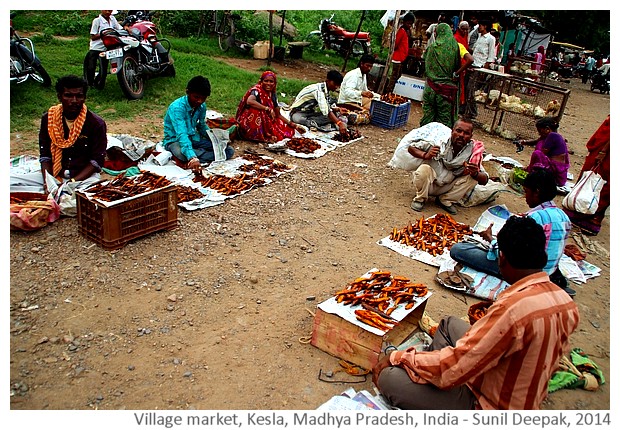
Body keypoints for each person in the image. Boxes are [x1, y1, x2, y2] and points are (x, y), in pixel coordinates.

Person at [373, 215, 580, 410]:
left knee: (389, 378)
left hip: (489, 403)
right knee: (448, 325)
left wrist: (398, 357)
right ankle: (429, 375)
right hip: (513, 384)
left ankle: (432, 384)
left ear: (503, 258)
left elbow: (456, 364)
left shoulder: (511, 310)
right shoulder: (564, 300)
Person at [450, 169, 575, 296]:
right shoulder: (564, 217)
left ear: (536, 192)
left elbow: (514, 256)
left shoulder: (534, 219)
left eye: (526, 192)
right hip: (549, 270)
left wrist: (490, 239)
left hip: (525, 272)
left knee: (459, 249)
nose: (525, 197)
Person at [10, 75, 106, 195]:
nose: (74, 101)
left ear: (84, 98)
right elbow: (45, 156)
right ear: (59, 97)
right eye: (68, 96)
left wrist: (71, 182)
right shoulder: (48, 119)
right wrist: (47, 182)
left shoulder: (96, 123)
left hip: (83, 178)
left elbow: (96, 161)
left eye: (79, 96)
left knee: (80, 200)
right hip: (55, 174)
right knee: (9, 183)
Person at [409, 118, 488, 215]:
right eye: (458, 131)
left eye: (466, 133)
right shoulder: (439, 143)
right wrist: (426, 155)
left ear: (471, 136)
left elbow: (485, 179)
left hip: (448, 187)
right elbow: (411, 147)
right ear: (452, 131)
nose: (461, 135)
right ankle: (420, 198)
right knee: (423, 169)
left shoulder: (473, 153)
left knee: (473, 178)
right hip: (429, 184)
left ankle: (445, 200)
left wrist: (475, 173)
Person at [163, 76, 234, 173]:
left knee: (228, 150)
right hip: (175, 140)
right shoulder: (177, 108)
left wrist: (218, 139)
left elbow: (201, 126)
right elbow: (181, 134)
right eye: (196, 97)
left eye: (203, 98)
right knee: (182, 155)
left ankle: (197, 154)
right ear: (188, 92)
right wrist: (192, 157)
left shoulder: (201, 106)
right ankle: (193, 155)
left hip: (193, 138)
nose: (199, 101)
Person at [562, 115, 610, 236]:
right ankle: (589, 215)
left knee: (599, 181)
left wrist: (603, 151)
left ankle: (588, 215)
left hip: (607, 151)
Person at [235, 71, 303, 143]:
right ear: (261, 81)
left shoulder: (272, 95)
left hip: (266, 122)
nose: (268, 84)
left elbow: (278, 115)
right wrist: (267, 108)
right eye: (266, 81)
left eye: (271, 81)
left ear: (274, 83)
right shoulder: (257, 90)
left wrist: (293, 125)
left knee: (281, 130)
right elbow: (250, 101)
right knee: (256, 111)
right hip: (250, 121)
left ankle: (266, 133)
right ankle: (254, 135)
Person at [419, 23, 461, 128]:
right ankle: (441, 141)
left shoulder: (432, 48)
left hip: (431, 88)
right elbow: (457, 65)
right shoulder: (454, 47)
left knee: (428, 115)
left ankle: (425, 138)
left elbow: (425, 64)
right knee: (444, 119)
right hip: (446, 90)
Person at [521, 117, 570, 187]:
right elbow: (536, 141)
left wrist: (530, 167)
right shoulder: (555, 136)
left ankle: (532, 172)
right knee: (540, 143)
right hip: (559, 174)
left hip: (555, 172)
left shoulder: (552, 136)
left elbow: (542, 153)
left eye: (540, 131)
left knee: (537, 153)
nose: (539, 133)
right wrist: (524, 142)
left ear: (547, 129)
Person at [463, 20, 496, 119]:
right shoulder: (479, 37)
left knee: (471, 89)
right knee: (467, 89)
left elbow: (490, 57)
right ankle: (466, 109)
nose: (479, 28)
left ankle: (472, 112)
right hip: (472, 65)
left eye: (480, 26)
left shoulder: (491, 39)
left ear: (485, 26)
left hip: (479, 67)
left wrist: (484, 70)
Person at [84, 10, 124, 89]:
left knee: (104, 69)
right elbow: (93, 36)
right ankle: (89, 83)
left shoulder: (112, 19)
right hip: (96, 48)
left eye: (110, 10)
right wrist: (103, 34)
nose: (108, 12)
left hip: (106, 48)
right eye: (106, 10)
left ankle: (98, 83)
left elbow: (119, 29)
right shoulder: (97, 21)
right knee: (91, 67)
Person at [385, 13, 415, 95]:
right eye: (408, 23)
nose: (409, 25)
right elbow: (395, 44)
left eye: (411, 24)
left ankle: (389, 90)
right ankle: (388, 91)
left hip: (401, 58)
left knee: (397, 76)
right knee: (393, 77)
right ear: (404, 22)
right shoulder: (401, 31)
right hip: (397, 58)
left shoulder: (406, 31)